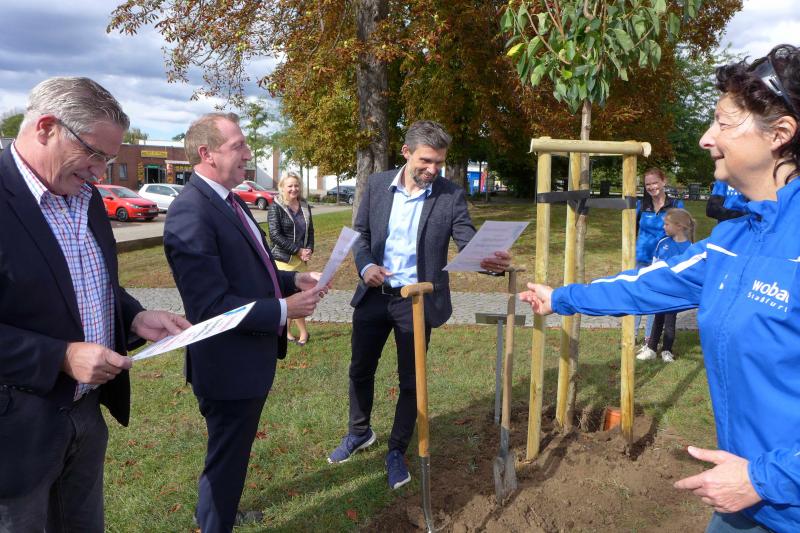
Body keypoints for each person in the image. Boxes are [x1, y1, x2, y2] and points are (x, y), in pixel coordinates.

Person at [519, 44, 800, 533]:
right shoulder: (735, 237)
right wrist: (561, 298)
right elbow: (649, 285)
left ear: (780, 134)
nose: (706, 138)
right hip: (746, 499)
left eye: (722, 122)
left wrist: (768, 479)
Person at [0, 77, 190, 532]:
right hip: (14, 432)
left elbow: (90, 283)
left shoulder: (84, 198)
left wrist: (135, 317)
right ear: (46, 127)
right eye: (94, 153)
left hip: (85, 417)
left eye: (107, 158)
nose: (101, 171)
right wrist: (61, 357)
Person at [164, 113, 326, 532]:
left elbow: (253, 271)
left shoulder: (229, 201)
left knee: (230, 455)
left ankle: (219, 512)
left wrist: (292, 280)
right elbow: (211, 306)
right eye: (238, 146)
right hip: (227, 366)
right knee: (226, 456)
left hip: (246, 361)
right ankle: (215, 521)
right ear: (206, 154)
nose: (249, 154)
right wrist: (285, 310)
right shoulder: (191, 212)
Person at [326, 120, 511, 489]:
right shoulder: (377, 185)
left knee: (411, 381)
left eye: (439, 162)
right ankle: (359, 432)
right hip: (374, 297)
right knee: (360, 370)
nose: (433, 169)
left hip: (416, 301)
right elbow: (361, 234)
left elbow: (467, 241)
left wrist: (490, 262)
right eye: (426, 161)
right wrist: (365, 266)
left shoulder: (449, 195)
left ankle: (396, 450)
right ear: (406, 153)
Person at [636, 208, 695, 363]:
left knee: (670, 321)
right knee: (658, 318)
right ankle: (651, 348)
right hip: (660, 290)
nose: (663, 227)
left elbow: (690, 272)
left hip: (675, 293)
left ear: (679, 226)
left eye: (667, 224)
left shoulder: (690, 248)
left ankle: (667, 350)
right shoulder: (662, 243)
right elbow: (654, 265)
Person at [634, 168, 684, 345]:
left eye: (655, 182)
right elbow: (632, 229)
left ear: (663, 182)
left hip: (663, 261)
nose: (652, 187)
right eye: (648, 184)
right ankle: (631, 335)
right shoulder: (641, 205)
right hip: (642, 258)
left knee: (654, 298)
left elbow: (681, 233)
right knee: (638, 295)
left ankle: (649, 338)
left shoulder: (675, 205)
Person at [268, 170, 314, 345]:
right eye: (290, 186)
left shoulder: (305, 206)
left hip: (301, 260)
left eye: (296, 185)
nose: (294, 189)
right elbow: (275, 235)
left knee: (296, 295)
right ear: (282, 187)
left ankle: (287, 331)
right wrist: (297, 250)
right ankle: (303, 333)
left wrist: (308, 249)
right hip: (283, 260)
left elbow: (310, 231)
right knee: (292, 297)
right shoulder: (276, 207)